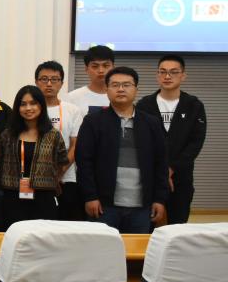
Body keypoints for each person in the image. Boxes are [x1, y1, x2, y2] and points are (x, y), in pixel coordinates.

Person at [77, 67, 168, 233]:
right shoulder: (93, 121)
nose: (120, 89)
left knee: (137, 249)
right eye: (115, 85)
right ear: (106, 89)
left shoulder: (151, 123)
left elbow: (161, 163)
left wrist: (159, 199)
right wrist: (90, 196)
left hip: (142, 206)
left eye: (126, 85)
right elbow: (84, 162)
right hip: (104, 206)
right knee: (103, 247)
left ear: (136, 89)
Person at [137, 54, 207, 225]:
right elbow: (140, 141)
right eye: (163, 72)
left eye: (173, 72)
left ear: (183, 75)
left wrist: (171, 168)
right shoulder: (144, 105)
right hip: (150, 177)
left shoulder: (194, 105)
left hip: (181, 178)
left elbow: (195, 143)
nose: (167, 76)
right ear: (157, 75)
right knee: (147, 227)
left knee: (177, 227)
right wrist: (160, 170)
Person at [0, 86, 68, 227]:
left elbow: (62, 162)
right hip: (13, 197)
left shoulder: (53, 135)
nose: (28, 108)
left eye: (33, 103)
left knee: (42, 236)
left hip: (44, 198)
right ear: (17, 108)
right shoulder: (8, 135)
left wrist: (49, 179)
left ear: (41, 105)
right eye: (23, 104)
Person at [35, 61, 85, 221]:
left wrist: (59, 171)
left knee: (64, 222)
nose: (49, 84)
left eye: (54, 79)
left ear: (62, 83)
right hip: (35, 178)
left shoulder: (72, 110)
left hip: (66, 178)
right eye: (44, 79)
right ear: (36, 82)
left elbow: (75, 145)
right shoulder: (29, 109)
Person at [67, 45, 116, 115]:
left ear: (113, 68)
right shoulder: (72, 98)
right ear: (86, 69)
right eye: (95, 66)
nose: (101, 70)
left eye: (106, 66)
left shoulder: (121, 96)